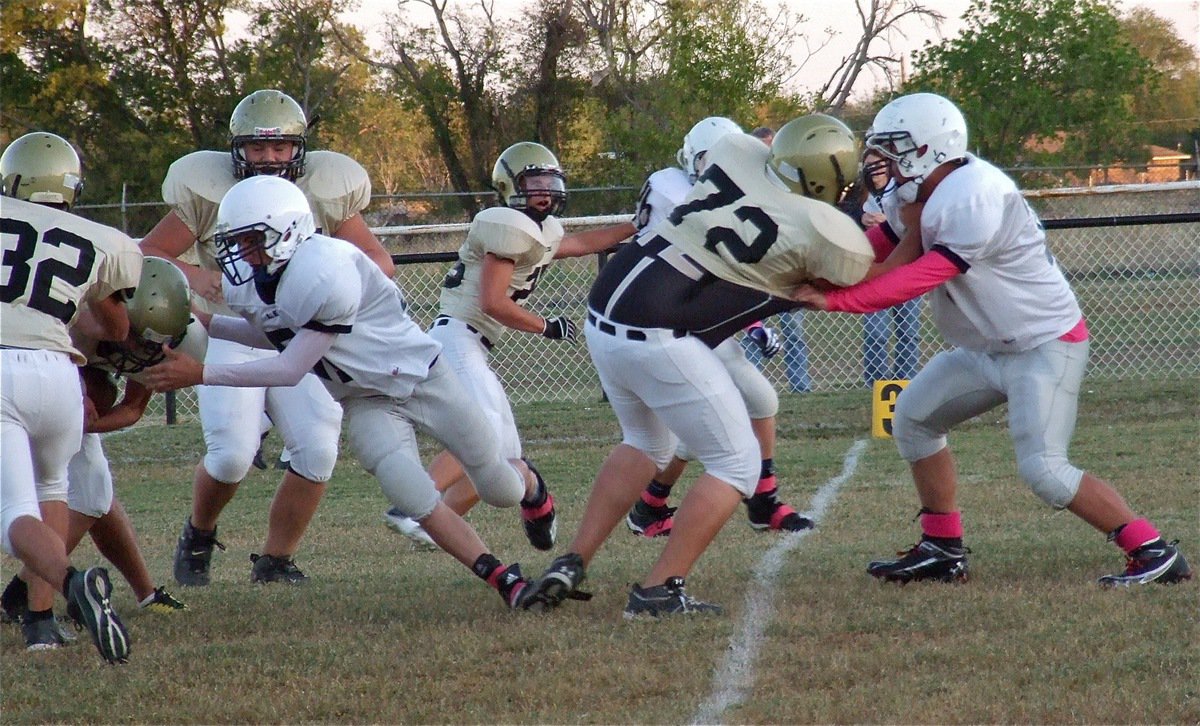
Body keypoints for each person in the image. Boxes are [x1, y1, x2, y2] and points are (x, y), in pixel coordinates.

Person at [792, 92, 1192, 587]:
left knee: (1045, 470)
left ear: (929, 149)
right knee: (913, 419)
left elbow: (919, 277)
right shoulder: (915, 193)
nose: (882, 161)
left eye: (894, 148)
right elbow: (877, 249)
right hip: (988, 347)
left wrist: (835, 301)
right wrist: (819, 271)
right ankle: (942, 548)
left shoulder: (975, 193)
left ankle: (1154, 552)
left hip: (1042, 344)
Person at [520, 114, 873, 617]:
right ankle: (658, 590)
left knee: (646, 443)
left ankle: (572, 559)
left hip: (606, 308)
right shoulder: (820, 227)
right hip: (658, 328)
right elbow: (856, 271)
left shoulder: (733, 153)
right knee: (737, 463)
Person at [141, 175, 543, 610]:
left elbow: (291, 367)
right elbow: (278, 334)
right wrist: (208, 322)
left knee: (500, 489)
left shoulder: (325, 269)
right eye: (236, 241)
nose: (243, 253)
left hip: (424, 379)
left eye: (253, 240)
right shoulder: (253, 282)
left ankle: (533, 488)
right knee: (412, 498)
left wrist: (201, 373)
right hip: (365, 400)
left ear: (290, 231)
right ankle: (505, 581)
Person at [139, 89, 396, 586]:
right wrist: (197, 277)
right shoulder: (210, 191)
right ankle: (199, 531)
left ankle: (276, 560)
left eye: (280, 147)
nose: (269, 158)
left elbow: (378, 262)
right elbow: (151, 251)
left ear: (299, 149)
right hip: (232, 325)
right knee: (231, 455)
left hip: (298, 332)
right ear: (237, 149)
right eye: (257, 148)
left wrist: (342, 287)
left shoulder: (324, 190)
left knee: (317, 451)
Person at [381, 142, 636, 548]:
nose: (544, 191)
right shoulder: (508, 226)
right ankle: (411, 502)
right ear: (510, 187)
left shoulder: (541, 231)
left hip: (471, 343)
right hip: (457, 337)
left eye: (549, 182)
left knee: (503, 460)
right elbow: (493, 303)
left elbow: (584, 243)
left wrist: (637, 225)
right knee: (482, 431)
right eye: (534, 183)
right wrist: (546, 326)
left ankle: (433, 523)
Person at [624, 117, 813, 540]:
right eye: (712, 160)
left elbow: (734, 267)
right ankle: (758, 502)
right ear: (691, 161)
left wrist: (754, 320)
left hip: (697, 317)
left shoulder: (721, 195)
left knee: (746, 407)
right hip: (669, 319)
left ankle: (654, 505)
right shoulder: (673, 192)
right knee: (707, 424)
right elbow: (715, 266)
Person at [0, 131, 136, 662]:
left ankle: (73, 583)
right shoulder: (100, 238)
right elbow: (117, 328)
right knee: (53, 487)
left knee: (14, 515)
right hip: (59, 374)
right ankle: (40, 623)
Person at [1, 258, 193, 634]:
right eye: (137, 337)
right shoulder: (76, 316)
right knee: (87, 493)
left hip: (49, 397)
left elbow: (134, 408)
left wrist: (89, 422)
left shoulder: (169, 336)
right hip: (30, 384)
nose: (142, 350)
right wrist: (75, 389)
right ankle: (29, 594)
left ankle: (143, 593)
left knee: (94, 492)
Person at [742, 127, 812, 393]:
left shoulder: (789, 184)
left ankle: (800, 387)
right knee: (754, 327)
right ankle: (753, 386)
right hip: (756, 266)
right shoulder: (745, 183)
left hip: (786, 265)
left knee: (794, 330)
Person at [856, 149, 922, 384]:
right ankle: (876, 382)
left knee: (908, 330)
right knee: (876, 333)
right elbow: (842, 216)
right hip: (875, 270)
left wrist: (890, 222)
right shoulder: (860, 194)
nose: (874, 171)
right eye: (869, 166)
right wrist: (860, 218)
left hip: (904, 266)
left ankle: (906, 380)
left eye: (879, 165)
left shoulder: (902, 191)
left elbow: (914, 223)